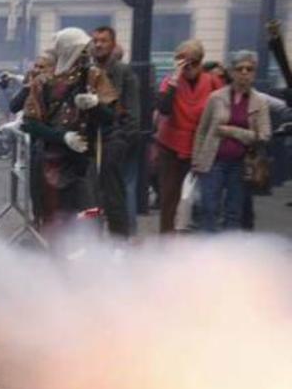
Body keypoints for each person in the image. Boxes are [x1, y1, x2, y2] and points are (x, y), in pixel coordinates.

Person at [22, 27, 119, 236]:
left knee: (89, 215)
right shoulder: (43, 81)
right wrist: (62, 137)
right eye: (81, 49)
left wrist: (95, 105)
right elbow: (30, 123)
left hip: (85, 159)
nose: (87, 54)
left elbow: (112, 117)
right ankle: (59, 264)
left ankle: (89, 261)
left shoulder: (94, 77)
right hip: (52, 161)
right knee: (57, 220)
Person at [191, 51, 270, 232]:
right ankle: (208, 252)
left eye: (249, 69)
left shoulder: (260, 102)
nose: (244, 73)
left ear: (254, 72)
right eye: (239, 69)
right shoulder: (216, 97)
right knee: (208, 208)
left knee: (233, 212)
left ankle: (228, 252)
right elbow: (202, 130)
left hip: (241, 164)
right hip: (213, 161)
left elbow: (265, 135)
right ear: (231, 72)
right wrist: (196, 160)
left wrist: (233, 132)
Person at [155, 39, 224, 233]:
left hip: (200, 146)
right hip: (170, 146)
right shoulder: (170, 82)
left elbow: (220, 113)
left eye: (194, 62)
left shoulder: (212, 82)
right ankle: (166, 240)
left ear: (201, 62)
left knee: (206, 199)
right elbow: (164, 109)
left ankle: (203, 242)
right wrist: (175, 80)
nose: (189, 67)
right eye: (184, 62)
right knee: (169, 198)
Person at [91, 26, 140, 237]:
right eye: (96, 41)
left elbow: (132, 111)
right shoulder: (88, 71)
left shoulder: (123, 72)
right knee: (92, 193)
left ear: (113, 44)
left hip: (115, 139)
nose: (99, 44)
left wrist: (123, 138)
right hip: (93, 139)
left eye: (104, 40)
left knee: (115, 193)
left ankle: (120, 239)